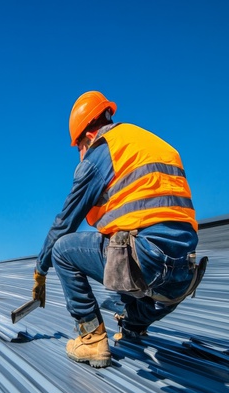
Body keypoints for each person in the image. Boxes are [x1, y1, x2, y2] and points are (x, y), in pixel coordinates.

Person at [32, 90, 206, 368]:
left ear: (89, 137)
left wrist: (40, 269)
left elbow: (64, 223)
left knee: (63, 250)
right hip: (184, 272)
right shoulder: (153, 144)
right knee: (123, 245)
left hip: (147, 261)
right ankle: (134, 326)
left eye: (79, 148)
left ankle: (91, 339)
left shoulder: (102, 151)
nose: (80, 156)